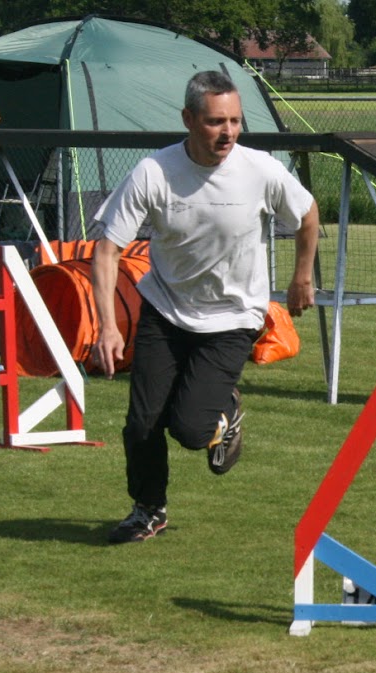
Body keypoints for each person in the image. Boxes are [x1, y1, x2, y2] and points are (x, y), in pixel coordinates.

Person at [89, 70, 318, 544]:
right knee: (141, 423)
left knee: (190, 430)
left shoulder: (261, 170)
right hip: (166, 307)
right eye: (216, 122)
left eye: (235, 121)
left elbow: (308, 214)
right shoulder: (154, 172)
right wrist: (108, 327)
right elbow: (107, 250)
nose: (228, 132)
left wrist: (301, 277)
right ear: (189, 119)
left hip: (233, 317)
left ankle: (224, 411)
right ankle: (147, 509)